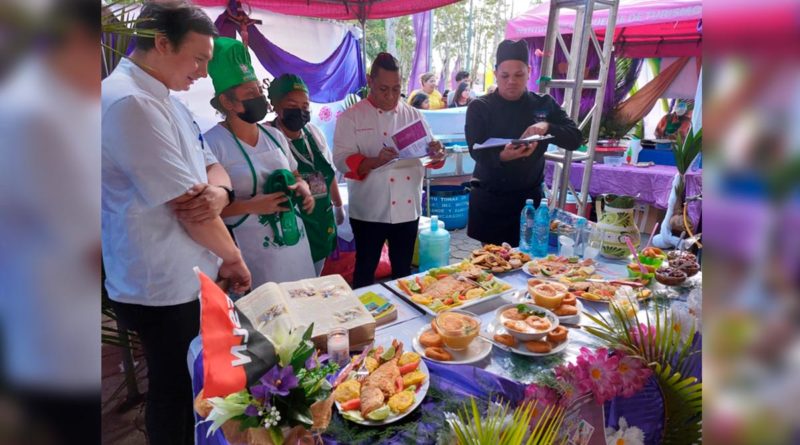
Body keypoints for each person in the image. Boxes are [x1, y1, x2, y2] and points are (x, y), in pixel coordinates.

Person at [101, 4, 251, 445]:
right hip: (160, 282)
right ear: (162, 44)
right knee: (173, 390)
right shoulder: (129, 102)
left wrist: (221, 192)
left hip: (187, 273)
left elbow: (212, 169)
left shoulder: (166, 98)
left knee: (195, 385)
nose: (204, 73)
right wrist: (235, 258)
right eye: (199, 59)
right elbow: (189, 208)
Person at [204, 37, 317, 286]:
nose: (260, 98)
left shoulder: (274, 135)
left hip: (294, 243)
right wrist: (251, 205)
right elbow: (207, 211)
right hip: (250, 253)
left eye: (258, 90)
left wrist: (303, 189)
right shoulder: (212, 144)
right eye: (250, 93)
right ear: (227, 102)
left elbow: (295, 175)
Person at [333, 53, 446, 288]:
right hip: (369, 210)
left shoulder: (414, 115)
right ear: (370, 81)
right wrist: (373, 161)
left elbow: (430, 156)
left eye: (396, 89)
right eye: (384, 89)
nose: (391, 96)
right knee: (365, 269)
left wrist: (437, 153)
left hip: (407, 208)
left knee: (403, 272)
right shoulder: (351, 117)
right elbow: (341, 160)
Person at [465, 39, 582, 246]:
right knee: (493, 264)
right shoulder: (480, 107)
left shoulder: (544, 104)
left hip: (528, 201)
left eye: (519, 75)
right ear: (496, 74)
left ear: (529, 71)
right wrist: (502, 156)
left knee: (528, 264)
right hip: (491, 198)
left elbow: (575, 138)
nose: (512, 81)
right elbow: (476, 150)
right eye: (505, 75)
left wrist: (548, 126)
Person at [268, 73, 345, 275]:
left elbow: (329, 172)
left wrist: (338, 206)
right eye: (292, 104)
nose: (300, 111)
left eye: (305, 106)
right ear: (275, 104)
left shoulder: (313, 133)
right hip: (294, 224)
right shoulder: (269, 137)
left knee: (316, 277)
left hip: (321, 220)